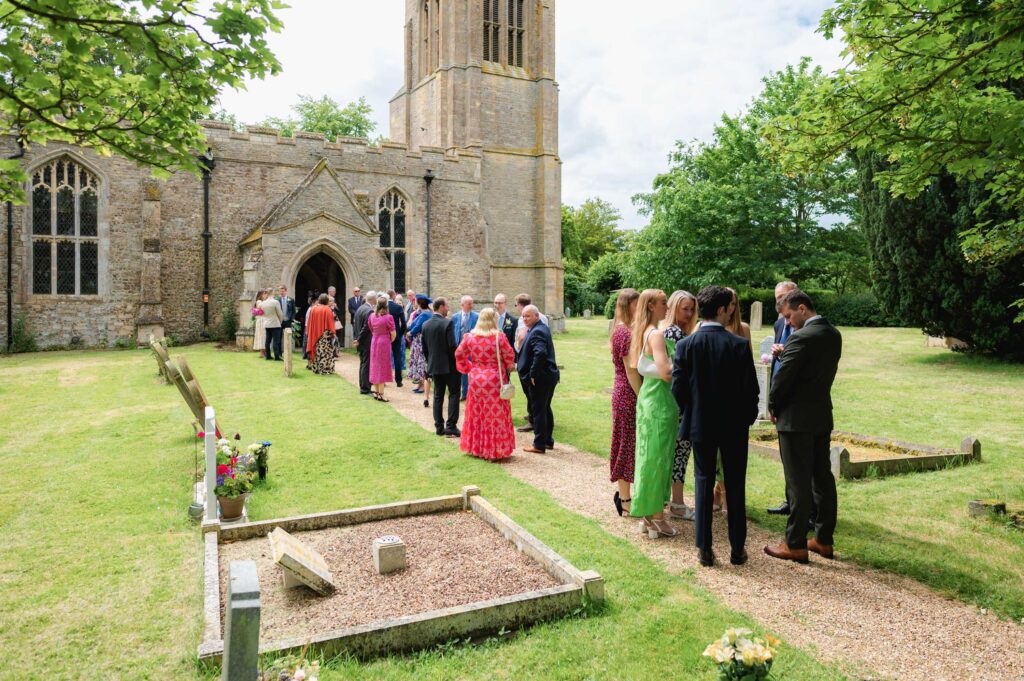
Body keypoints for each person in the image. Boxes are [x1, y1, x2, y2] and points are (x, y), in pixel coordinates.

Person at [672, 285, 759, 567]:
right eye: (729, 307)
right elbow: (751, 391)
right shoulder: (737, 345)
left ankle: (705, 549)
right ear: (721, 310)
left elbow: (679, 388)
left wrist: (690, 411)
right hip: (733, 426)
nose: (731, 311)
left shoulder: (687, 345)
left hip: (700, 423)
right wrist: (745, 418)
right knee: (735, 485)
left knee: (703, 481)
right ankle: (737, 548)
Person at [764, 289, 842, 564]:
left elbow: (782, 380)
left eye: (788, 316)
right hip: (820, 415)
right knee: (822, 478)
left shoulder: (801, 338)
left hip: (795, 420)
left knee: (797, 482)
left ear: (802, 308)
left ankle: (795, 543)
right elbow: (812, 369)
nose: (786, 323)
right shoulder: (832, 334)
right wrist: (790, 352)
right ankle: (823, 539)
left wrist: (772, 407)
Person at [627, 289, 680, 539]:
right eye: (662, 303)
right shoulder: (656, 334)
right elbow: (667, 372)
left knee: (649, 456)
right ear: (650, 306)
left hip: (650, 397)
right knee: (657, 458)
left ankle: (650, 514)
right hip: (659, 399)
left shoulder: (644, 331)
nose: (667, 307)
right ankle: (656, 517)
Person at [455, 307, 516, 459]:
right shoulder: (499, 337)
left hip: (476, 378)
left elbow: (458, 353)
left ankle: (476, 448)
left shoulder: (470, 337)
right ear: (494, 319)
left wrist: (468, 368)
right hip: (494, 379)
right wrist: (508, 365)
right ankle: (494, 450)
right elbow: (509, 357)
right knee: (495, 415)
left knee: (476, 413)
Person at [660, 290, 698, 521]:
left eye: (692, 309)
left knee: (673, 452)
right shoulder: (675, 333)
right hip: (680, 402)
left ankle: (670, 500)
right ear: (674, 307)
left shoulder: (670, 331)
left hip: (671, 400)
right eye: (685, 308)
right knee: (681, 453)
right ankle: (677, 502)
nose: (690, 313)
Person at [766, 280, 799, 516]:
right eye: (777, 297)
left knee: (799, 457)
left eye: (784, 297)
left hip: (797, 396)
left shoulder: (802, 323)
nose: (779, 301)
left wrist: (783, 352)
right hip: (780, 392)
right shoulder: (780, 322)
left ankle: (803, 506)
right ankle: (791, 500)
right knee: (786, 455)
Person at [609, 288, 641, 517]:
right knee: (626, 444)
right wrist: (643, 397)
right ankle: (624, 497)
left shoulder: (630, 330)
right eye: (636, 304)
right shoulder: (624, 332)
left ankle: (628, 495)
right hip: (628, 392)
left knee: (632, 443)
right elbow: (631, 372)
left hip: (628, 390)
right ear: (626, 305)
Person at [517, 305, 559, 454]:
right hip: (548, 375)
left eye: (528, 316)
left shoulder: (538, 331)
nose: (524, 319)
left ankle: (539, 444)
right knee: (545, 408)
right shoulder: (539, 328)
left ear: (536, 316)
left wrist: (533, 374)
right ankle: (547, 441)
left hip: (541, 377)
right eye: (523, 316)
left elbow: (540, 353)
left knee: (538, 410)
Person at [421, 298, 460, 436]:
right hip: (450, 366)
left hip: (435, 366)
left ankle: (439, 427)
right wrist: (457, 361)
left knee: (438, 395)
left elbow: (424, 348)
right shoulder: (448, 322)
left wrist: (430, 361)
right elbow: (452, 346)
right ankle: (450, 426)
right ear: (442, 307)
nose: (448, 308)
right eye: (447, 306)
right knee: (454, 394)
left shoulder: (425, 324)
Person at [513, 293, 548, 432]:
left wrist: (519, 351)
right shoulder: (541, 316)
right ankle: (534, 415)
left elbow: (522, 337)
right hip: (539, 358)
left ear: (520, 305)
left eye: (516, 305)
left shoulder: (525, 317)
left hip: (528, 357)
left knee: (530, 390)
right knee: (537, 392)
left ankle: (533, 419)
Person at [406, 295, 434, 407]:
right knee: (419, 361)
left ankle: (422, 385)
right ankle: (420, 384)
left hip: (421, 341)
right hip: (419, 340)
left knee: (421, 361)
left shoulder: (425, 314)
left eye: (416, 301)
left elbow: (416, 326)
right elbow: (413, 323)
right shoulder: (424, 313)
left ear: (420, 302)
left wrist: (410, 333)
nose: (415, 303)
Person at [368, 297, 396, 401]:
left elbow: (370, 328)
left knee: (375, 365)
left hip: (374, 341)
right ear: (386, 305)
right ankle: (381, 393)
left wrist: (376, 335)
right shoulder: (389, 317)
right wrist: (389, 340)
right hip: (384, 342)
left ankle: (376, 392)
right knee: (382, 366)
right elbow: (393, 334)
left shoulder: (371, 316)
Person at [453, 296, 479, 400]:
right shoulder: (455, 317)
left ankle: (468, 393)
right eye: (469, 304)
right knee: (459, 371)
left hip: (472, 349)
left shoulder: (477, 316)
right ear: (462, 305)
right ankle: (460, 393)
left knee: (471, 371)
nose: (471, 306)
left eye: (472, 303)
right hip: (459, 348)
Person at [305, 293, 337, 375]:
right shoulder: (327, 309)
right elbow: (330, 324)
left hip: (314, 334)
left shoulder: (313, 309)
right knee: (325, 352)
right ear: (326, 300)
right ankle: (325, 369)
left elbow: (310, 323)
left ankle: (316, 368)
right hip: (325, 335)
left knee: (316, 351)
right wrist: (332, 334)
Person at [353, 291, 376, 394]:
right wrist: (358, 340)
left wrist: (356, 338)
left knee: (363, 363)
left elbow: (355, 325)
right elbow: (366, 328)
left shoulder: (360, 308)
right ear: (373, 299)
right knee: (366, 364)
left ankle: (363, 386)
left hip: (361, 341)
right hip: (366, 342)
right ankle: (365, 388)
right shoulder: (369, 311)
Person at [386, 289, 408, 387]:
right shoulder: (398, 307)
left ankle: (384, 379)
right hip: (396, 334)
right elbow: (404, 323)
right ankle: (398, 380)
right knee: (397, 356)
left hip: (385, 334)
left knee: (385, 356)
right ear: (394, 295)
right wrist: (401, 333)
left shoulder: (384, 307)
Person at [259, 290, 284, 361]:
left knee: (267, 341)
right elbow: (280, 314)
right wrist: (280, 321)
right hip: (275, 323)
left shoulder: (263, 303)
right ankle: (276, 356)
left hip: (267, 324)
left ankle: (268, 356)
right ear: (272, 293)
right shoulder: (275, 302)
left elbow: (262, 313)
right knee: (276, 341)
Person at [278, 285, 296, 349]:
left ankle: (287, 351)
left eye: (283, 291)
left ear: (286, 291)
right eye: (280, 291)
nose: (281, 293)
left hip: (288, 321)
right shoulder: (277, 300)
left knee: (288, 337)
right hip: (280, 321)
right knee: (279, 337)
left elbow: (294, 311)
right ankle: (279, 353)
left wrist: (292, 319)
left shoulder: (291, 300)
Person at [252, 289, 268, 358]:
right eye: (264, 294)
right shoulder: (259, 301)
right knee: (261, 336)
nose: (266, 295)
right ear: (261, 295)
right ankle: (262, 352)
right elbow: (261, 307)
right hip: (261, 321)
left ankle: (265, 352)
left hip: (264, 320)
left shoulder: (264, 301)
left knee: (264, 336)